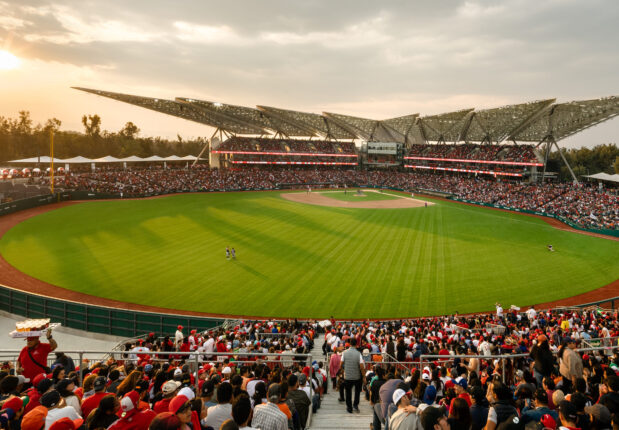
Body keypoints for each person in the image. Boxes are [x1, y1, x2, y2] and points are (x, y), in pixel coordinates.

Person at [341, 338, 364, 414]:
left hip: (347, 376)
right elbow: (361, 366)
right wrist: (364, 376)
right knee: (357, 391)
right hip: (356, 376)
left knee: (348, 392)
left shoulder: (344, 352)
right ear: (356, 344)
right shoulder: (358, 354)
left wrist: (343, 371)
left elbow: (341, 364)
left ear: (350, 343)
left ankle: (349, 408)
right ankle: (355, 405)